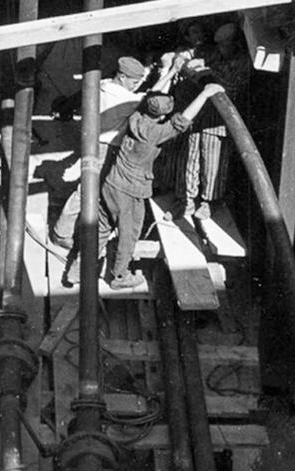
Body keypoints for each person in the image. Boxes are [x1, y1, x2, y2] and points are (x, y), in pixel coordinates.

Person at [101, 81, 224, 291]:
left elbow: (150, 99)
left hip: (112, 181)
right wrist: (205, 93)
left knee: (103, 224)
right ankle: (120, 276)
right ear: (162, 115)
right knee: (129, 233)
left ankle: (78, 268)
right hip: (130, 191)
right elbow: (182, 121)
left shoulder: (136, 117)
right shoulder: (154, 134)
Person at [51, 55, 149, 250]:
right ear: (122, 77)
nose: (136, 86)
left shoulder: (104, 84)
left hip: (93, 141)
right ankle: (61, 233)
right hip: (104, 147)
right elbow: (149, 101)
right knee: (88, 189)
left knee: (91, 187)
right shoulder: (122, 98)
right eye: (134, 82)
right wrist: (171, 72)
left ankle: (78, 225)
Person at [176, 21, 250, 223]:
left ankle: (210, 201)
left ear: (235, 44)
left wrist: (209, 74)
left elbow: (232, 88)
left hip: (219, 121)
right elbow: (198, 58)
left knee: (213, 162)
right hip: (201, 114)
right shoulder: (216, 54)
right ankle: (188, 198)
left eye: (224, 45)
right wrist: (190, 62)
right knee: (191, 157)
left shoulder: (243, 62)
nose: (220, 49)